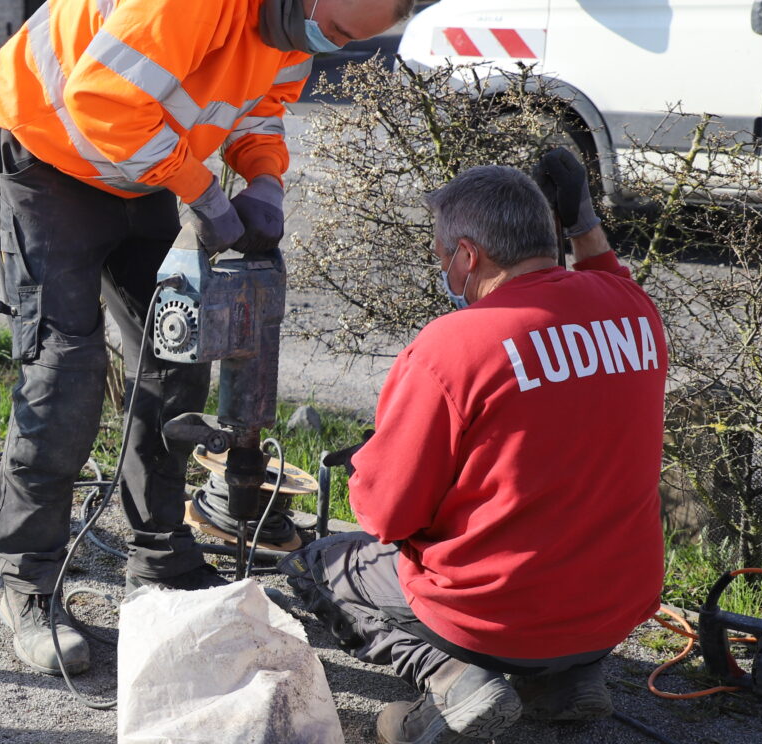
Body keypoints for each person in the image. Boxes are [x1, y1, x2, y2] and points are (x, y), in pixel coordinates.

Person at [0, 0, 412, 676]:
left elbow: (258, 104)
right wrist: (203, 194)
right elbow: (100, 101)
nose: (326, 45)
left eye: (348, 41)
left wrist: (264, 177)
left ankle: (159, 559)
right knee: (65, 368)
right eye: (332, 29)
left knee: (177, 358)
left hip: (136, 164)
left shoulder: (297, 24)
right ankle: (30, 584)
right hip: (50, 153)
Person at [281, 154, 668, 743]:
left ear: (466, 257)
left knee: (315, 566)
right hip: (615, 608)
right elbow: (608, 276)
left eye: (443, 257)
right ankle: (566, 680)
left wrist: (374, 463)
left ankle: (453, 677)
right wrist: (584, 224)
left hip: (496, 614)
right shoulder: (636, 315)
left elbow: (386, 517)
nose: (444, 269)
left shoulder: (452, 347)